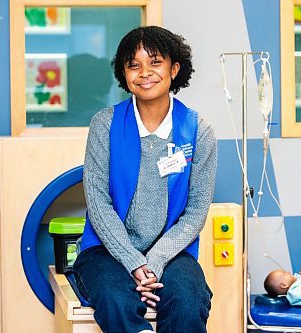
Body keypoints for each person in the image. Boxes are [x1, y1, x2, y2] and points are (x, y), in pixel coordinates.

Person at [73, 26, 217, 333]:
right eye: (134, 65)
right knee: (116, 300)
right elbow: (98, 202)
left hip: (173, 252)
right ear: (124, 74)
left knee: (189, 302)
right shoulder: (105, 124)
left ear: (174, 69)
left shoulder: (199, 131)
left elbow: (194, 216)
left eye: (155, 62)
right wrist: (134, 262)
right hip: (105, 251)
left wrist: (154, 261)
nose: (144, 73)